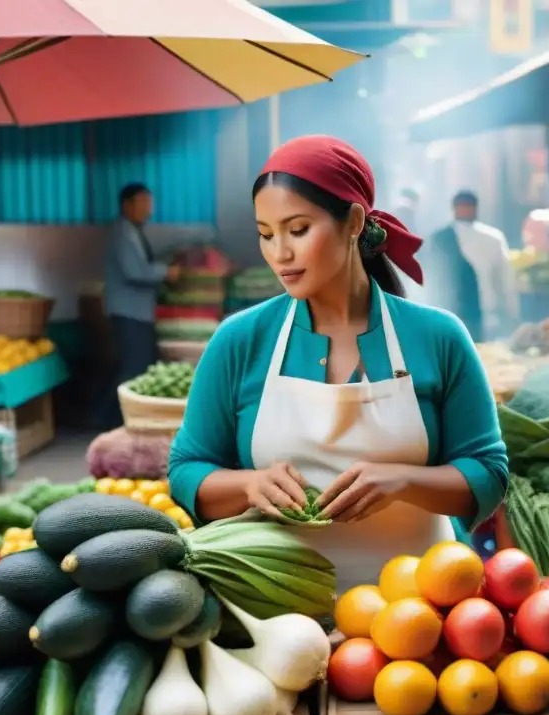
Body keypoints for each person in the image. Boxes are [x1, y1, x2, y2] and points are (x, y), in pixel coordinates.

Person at [167, 136, 508, 594]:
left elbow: (488, 472)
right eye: (266, 234)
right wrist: (249, 485)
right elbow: (188, 469)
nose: (279, 254)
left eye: (298, 229)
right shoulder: (240, 340)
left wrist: (404, 481)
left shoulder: (438, 336)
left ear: (352, 221)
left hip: (417, 609)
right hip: (274, 609)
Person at [102, 183, 178, 425]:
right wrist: (167, 272)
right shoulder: (124, 233)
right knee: (133, 369)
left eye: (149, 203)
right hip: (129, 312)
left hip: (137, 311)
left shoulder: (132, 231)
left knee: (131, 365)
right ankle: (113, 420)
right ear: (127, 205)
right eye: (143, 203)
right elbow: (136, 270)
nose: (148, 209)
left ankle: (108, 417)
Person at [424, 191, 520, 341]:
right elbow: (432, 278)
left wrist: (510, 311)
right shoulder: (441, 238)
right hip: (451, 313)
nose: (465, 209)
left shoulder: (492, 238)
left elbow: (504, 279)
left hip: (480, 315)